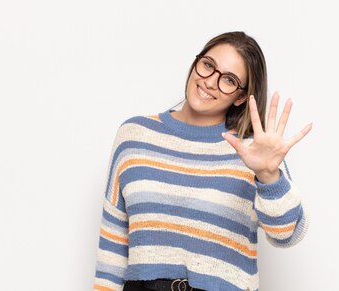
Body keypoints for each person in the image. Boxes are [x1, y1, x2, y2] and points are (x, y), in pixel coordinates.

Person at [93, 31, 313, 291]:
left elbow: (287, 234)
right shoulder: (135, 135)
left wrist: (268, 176)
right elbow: (113, 244)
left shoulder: (253, 152)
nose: (210, 82)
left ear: (241, 96)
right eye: (208, 65)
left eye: (229, 80)